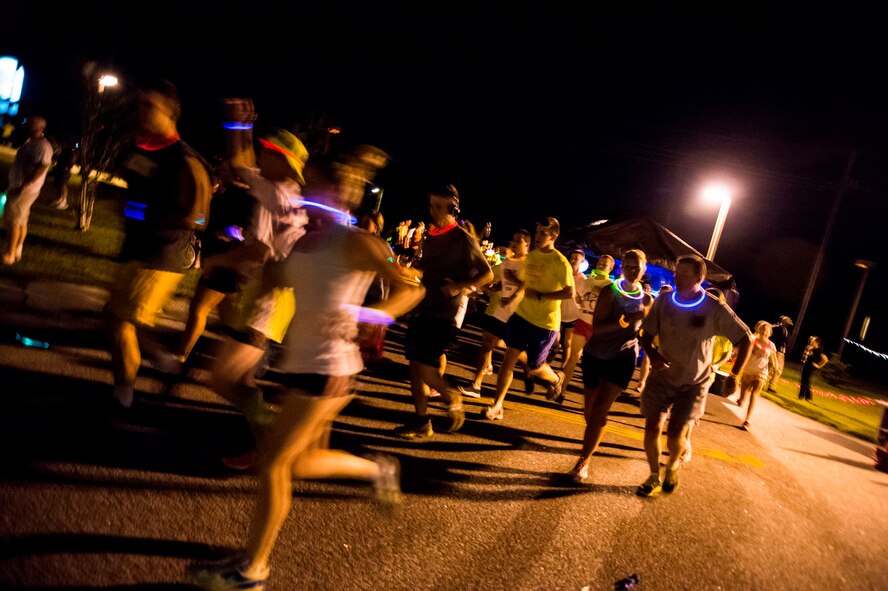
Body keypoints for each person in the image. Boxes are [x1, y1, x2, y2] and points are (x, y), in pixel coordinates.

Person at [190, 156, 425, 591]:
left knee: (274, 465)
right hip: (296, 364)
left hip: (330, 371)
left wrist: (372, 315)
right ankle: (376, 471)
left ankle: (252, 570)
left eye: (315, 188)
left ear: (338, 196)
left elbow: (412, 287)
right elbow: (274, 277)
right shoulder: (303, 244)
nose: (305, 195)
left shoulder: (356, 242)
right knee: (302, 463)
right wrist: (233, 266)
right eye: (306, 187)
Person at [172, 98, 309, 370]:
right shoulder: (282, 188)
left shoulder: (275, 194)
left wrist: (214, 262)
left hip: (267, 299)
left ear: (284, 162)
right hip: (272, 295)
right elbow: (238, 166)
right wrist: (241, 126)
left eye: (268, 153)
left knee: (229, 379)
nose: (261, 156)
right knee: (232, 376)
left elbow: (259, 251)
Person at [105, 79, 213, 408]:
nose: (141, 112)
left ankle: (123, 395)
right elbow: (137, 192)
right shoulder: (142, 149)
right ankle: (163, 360)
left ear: (171, 113)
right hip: (137, 248)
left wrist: (135, 209)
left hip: (164, 253)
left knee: (123, 321)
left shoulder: (184, 160)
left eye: (149, 106)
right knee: (115, 317)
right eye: (139, 105)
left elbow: (198, 219)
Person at [636, 254, 753, 497]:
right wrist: (654, 356)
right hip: (662, 378)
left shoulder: (713, 307)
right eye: (676, 272)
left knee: (676, 433)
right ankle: (653, 475)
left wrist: (735, 375)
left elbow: (745, 338)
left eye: (683, 274)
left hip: (693, 383)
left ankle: (672, 466)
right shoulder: (664, 301)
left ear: (699, 278)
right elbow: (645, 334)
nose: (677, 277)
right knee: (652, 428)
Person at [394, 183, 493, 439]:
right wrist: (407, 272)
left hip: (443, 314)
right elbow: (422, 269)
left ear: (453, 208)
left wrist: (460, 285)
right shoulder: (431, 235)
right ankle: (422, 422)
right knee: (415, 368)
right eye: (431, 205)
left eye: (439, 207)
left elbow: (487, 274)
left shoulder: (462, 238)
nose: (433, 211)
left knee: (425, 368)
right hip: (423, 308)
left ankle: (452, 395)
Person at [569, 249, 653, 483]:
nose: (632, 269)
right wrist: (624, 322)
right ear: (621, 267)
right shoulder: (609, 291)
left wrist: (655, 355)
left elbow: (646, 333)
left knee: (598, 412)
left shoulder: (647, 300)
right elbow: (598, 329)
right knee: (590, 412)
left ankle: (583, 462)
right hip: (596, 354)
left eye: (637, 266)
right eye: (628, 265)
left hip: (623, 358)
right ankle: (592, 442)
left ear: (644, 269)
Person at [483, 217, 574, 421]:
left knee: (534, 367)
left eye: (543, 233)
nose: (538, 237)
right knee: (509, 357)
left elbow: (569, 292)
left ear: (554, 236)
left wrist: (543, 296)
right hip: (522, 315)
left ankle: (556, 378)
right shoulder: (531, 256)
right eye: (537, 232)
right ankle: (497, 405)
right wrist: (502, 286)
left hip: (545, 323)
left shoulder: (560, 262)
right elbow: (525, 282)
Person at [458, 229, 531, 397]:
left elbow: (525, 286)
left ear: (527, 244)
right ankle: (476, 385)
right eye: (513, 238)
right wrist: (491, 288)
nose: (514, 242)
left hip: (517, 315)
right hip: (498, 311)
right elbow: (499, 283)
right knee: (487, 344)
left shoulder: (530, 263)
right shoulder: (506, 262)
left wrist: (511, 297)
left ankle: (527, 366)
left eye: (519, 240)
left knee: (513, 351)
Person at [558, 254, 615, 400]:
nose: (601, 266)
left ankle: (591, 399)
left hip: (597, 328)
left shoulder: (610, 286)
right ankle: (560, 390)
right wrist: (580, 300)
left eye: (605, 265)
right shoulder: (588, 280)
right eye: (600, 263)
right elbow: (578, 299)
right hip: (583, 322)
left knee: (593, 364)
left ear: (611, 268)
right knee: (573, 358)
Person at [1, 115, 54, 265]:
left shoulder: (43, 147)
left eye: (30, 124)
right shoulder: (30, 142)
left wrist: (24, 185)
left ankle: (9, 254)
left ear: (40, 128)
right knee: (22, 220)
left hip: (24, 190)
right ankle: (17, 249)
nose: (26, 126)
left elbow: (43, 167)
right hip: (18, 186)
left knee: (13, 221)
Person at [736, 320, 779, 430]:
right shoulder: (752, 340)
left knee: (754, 394)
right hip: (748, 371)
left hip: (761, 373)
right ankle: (741, 399)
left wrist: (776, 368)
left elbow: (773, 360)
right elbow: (744, 353)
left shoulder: (771, 346)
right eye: (763, 329)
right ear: (758, 329)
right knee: (743, 396)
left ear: (770, 333)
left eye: (767, 330)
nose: (765, 331)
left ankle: (747, 420)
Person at [549, 248, 586, 369]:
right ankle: (554, 350)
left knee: (567, 343)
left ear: (582, 261)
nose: (573, 260)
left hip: (573, 315)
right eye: (572, 257)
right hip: (558, 312)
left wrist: (574, 294)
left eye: (577, 258)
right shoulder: (563, 274)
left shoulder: (584, 280)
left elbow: (583, 300)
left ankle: (564, 366)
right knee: (554, 340)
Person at [765, 315, 793, 392]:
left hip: (770, 349)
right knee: (778, 370)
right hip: (779, 352)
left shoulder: (772, 327)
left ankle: (761, 382)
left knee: (768, 367)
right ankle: (771, 386)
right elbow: (786, 342)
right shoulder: (784, 330)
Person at [798, 335, 828, 402]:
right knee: (804, 380)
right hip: (806, 364)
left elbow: (825, 360)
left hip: (811, 366)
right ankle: (803, 396)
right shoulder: (810, 348)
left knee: (806, 381)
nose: (811, 341)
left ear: (817, 342)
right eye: (811, 340)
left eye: (813, 341)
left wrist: (818, 366)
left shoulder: (819, 350)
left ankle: (806, 397)